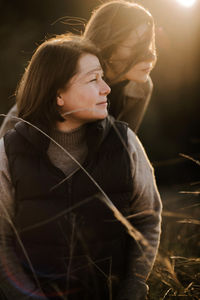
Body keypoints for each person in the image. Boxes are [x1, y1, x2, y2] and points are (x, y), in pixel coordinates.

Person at [0, 34, 161, 299]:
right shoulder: (10, 150)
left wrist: (133, 286)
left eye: (103, 77)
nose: (106, 88)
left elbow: (147, 218)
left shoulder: (125, 142)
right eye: (93, 79)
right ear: (58, 95)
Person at [0, 0, 156, 137]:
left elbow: (122, 148)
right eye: (137, 46)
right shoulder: (64, 72)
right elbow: (21, 132)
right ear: (108, 44)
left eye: (149, 44)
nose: (151, 56)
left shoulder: (141, 88)